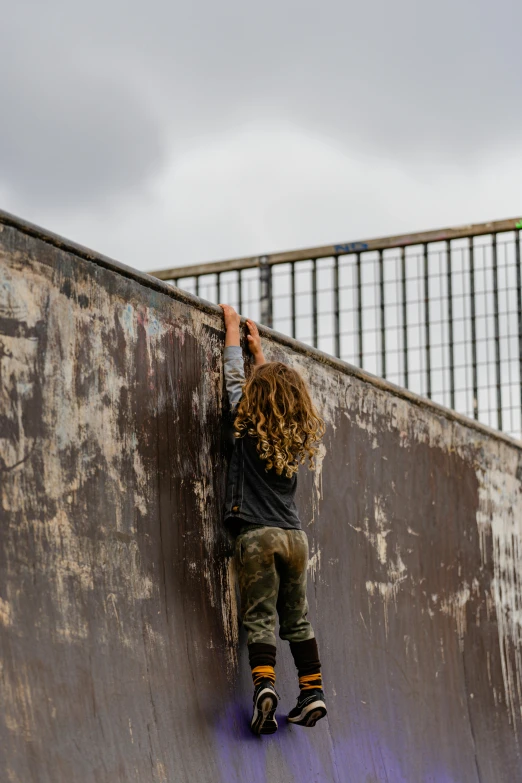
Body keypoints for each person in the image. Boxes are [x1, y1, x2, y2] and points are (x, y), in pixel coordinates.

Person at [219, 303, 327, 736]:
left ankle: (265, 687)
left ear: (255, 398)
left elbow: (232, 380)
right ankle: (312, 691)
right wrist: (259, 351)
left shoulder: (246, 428)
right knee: (297, 617)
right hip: (295, 538)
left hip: (257, 534)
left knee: (260, 616)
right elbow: (273, 393)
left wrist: (232, 333)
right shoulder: (293, 434)